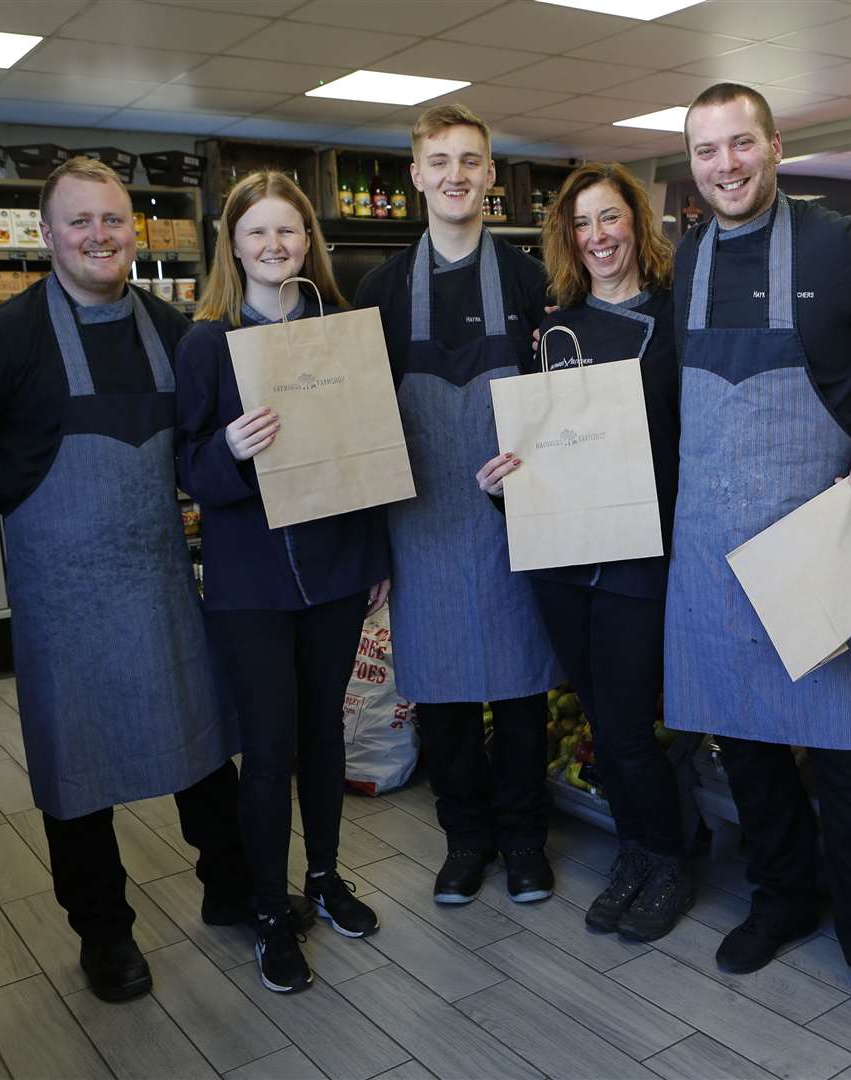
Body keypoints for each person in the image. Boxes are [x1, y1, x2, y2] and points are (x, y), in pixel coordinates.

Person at [0, 157, 305, 1004]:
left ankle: (230, 890)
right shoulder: (1, 339)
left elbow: (211, 450)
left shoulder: (175, 328)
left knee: (202, 747)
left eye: (113, 220)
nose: (100, 236)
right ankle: (104, 934)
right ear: (46, 235)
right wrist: (3, 482)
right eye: (79, 222)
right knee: (74, 770)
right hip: (62, 599)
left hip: (159, 582)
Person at [666, 84, 851, 1042]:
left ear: (774, 146)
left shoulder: (838, 247)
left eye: (740, 144)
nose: (726, 165)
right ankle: (781, 897)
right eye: (707, 150)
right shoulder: (687, 259)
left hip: (816, 542)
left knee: (846, 758)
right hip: (714, 546)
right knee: (746, 745)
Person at [175, 170, 389, 994]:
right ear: (233, 245)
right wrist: (228, 449)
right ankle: (270, 909)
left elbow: (370, 451)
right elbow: (187, 467)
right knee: (267, 753)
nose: (275, 246)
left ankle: (326, 878)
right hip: (251, 583)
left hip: (336, 569)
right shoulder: (205, 342)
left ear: (309, 242)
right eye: (257, 233)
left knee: (324, 735)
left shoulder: (339, 330)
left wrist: (374, 558)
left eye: (289, 232)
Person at [475, 163, 690, 941]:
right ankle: (636, 851)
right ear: (569, 239)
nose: (599, 237)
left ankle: (664, 858)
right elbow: (544, 442)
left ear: (637, 221)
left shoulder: (675, 319)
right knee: (602, 716)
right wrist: (503, 480)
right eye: (583, 225)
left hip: (640, 550)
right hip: (565, 556)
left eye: (611, 218)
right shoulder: (553, 327)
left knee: (629, 727)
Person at [356, 105, 561, 906]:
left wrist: (537, 470)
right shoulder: (378, 289)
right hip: (419, 525)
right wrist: (371, 544)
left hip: (514, 519)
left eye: (470, 161)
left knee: (518, 692)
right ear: (415, 174)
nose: (454, 175)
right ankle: (464, 841)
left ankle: (523, 841)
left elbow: (563, 405)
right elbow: (360, 430)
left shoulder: (529, 280)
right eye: (438, 161)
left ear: (490, 176)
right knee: (439, 695)